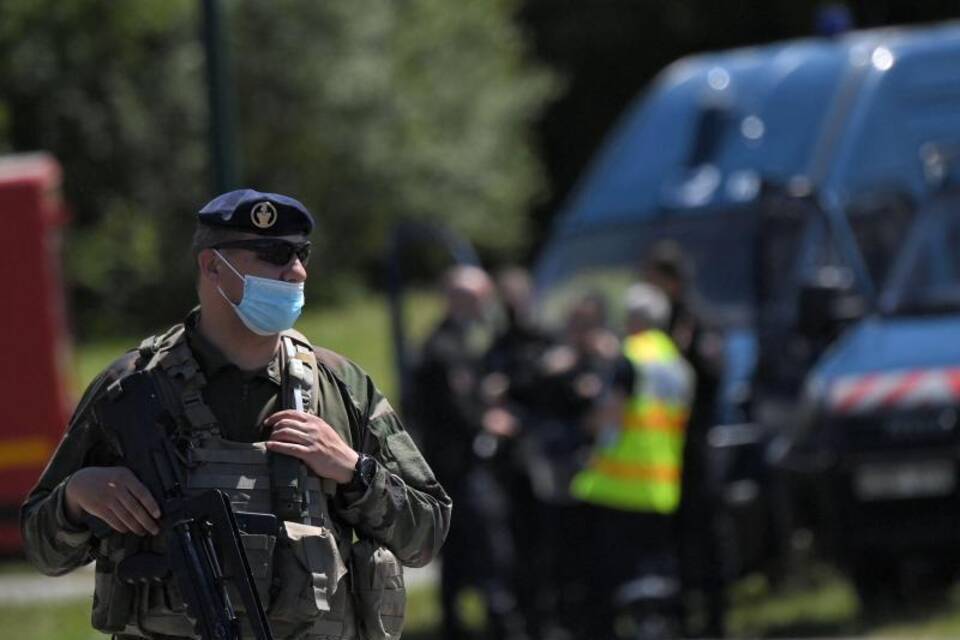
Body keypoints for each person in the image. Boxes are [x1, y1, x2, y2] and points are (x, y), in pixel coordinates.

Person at [20, 189, 451, 640]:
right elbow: (42, 548)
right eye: (274, 254)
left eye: (301, 253)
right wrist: (75, 496)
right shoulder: (132, 388)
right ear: (212, 267)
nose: (298, 270)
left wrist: (355, 472)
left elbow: (427, 534)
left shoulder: (341, 387)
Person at [570, 282, 695, 640]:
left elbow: (612, 414)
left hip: (618, 485)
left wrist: (586, 426)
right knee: (656, 580)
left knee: (611, 583)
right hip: (661, 484)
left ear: (635, 319)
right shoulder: (676, 364)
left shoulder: (631, 356)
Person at [410, 265, 510, 640]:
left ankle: (457, 623)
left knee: (460, 551)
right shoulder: (443, 348)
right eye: (479, 298)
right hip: (459, 468)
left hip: (453, 466)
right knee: (488, 547)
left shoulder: (457, 342)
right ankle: (495, 623)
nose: (484, 306)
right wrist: (489, 414)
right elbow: (458, 409)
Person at [642, 241, 726, 638]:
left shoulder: (696, 322)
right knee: (672, 542)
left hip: (693, 446)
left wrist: (685, 354)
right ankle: (681, 620)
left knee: (706, 537)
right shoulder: (656, 328)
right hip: (662, 450)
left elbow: (711, 378)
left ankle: (714, 620)